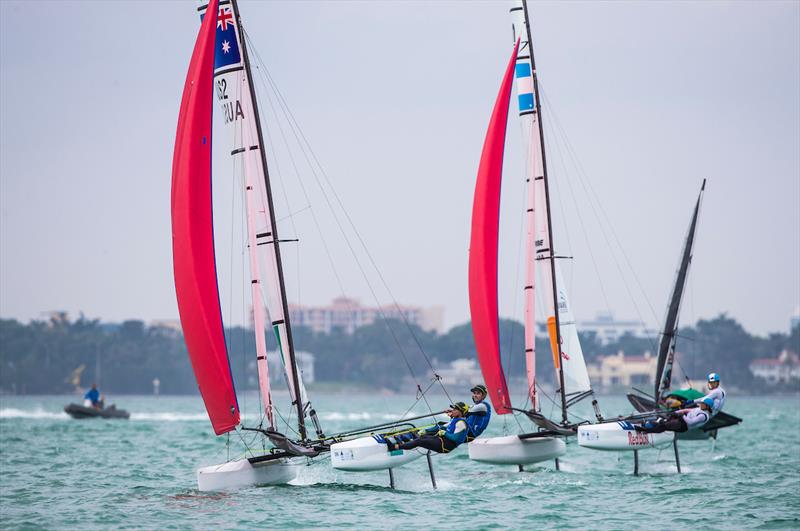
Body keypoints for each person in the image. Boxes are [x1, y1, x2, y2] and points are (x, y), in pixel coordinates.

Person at [388, 402, 470, 454]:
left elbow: (455, 438)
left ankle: (395, 447)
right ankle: (408, 442)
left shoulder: (461, 423)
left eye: (455, 409)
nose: (453, 410)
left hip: (445, 446)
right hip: (443, 440)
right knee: (424, 436)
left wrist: (445, 433)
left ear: (461, 412)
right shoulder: (455, 420)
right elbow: (441, 427)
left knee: (420, 441)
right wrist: (425, 430)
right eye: (453, 409)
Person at [636, 397, 714, 433]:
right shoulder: (700, 408)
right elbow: (687, 410)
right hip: (681, 420)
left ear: (707, 406)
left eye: (703, 404)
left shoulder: (703, 416)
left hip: (683, 426)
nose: (701, 404)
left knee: (663, 426)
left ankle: (645, 430)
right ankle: (647, 423)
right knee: (663, 419)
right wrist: (677, 412)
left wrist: (682, 415)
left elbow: (690, 422)